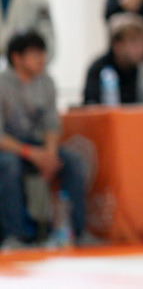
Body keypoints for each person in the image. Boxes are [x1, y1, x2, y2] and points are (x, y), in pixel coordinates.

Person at [0, 32, 87, 249]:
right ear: (17, 58)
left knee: (73, 162)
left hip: (39, 145)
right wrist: (32, 154)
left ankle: (75, 231)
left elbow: (51, 123)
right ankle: (14, 236)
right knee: (9, 166)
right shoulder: (3, 85)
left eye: (43, 53)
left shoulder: (46, 82)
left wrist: (50, 153)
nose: (41, 59)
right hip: (11, 147)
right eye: (35, 54)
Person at [83, 13, 143, 104]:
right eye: (134, 42)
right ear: (117, 45)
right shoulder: (99, 69)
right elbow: (91, 105)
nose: (141, 47)